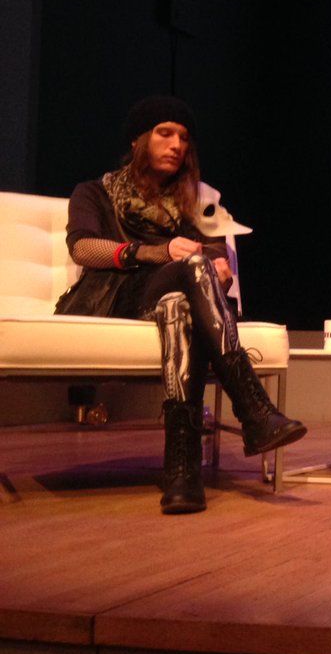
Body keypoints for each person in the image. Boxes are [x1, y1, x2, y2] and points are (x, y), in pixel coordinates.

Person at [56, 96, 307, 514]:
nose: (177, 145)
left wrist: (219, 269)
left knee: (178, 305)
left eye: (184, 137)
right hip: (114, 297)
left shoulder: (187, 205)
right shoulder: (94, 192)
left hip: (166, 297)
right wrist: (157, 252)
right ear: (138, 140)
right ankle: (253, 410)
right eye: (165, 133)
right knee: (189, 269)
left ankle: (182, 471)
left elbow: (209, 253)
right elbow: (83, 249)